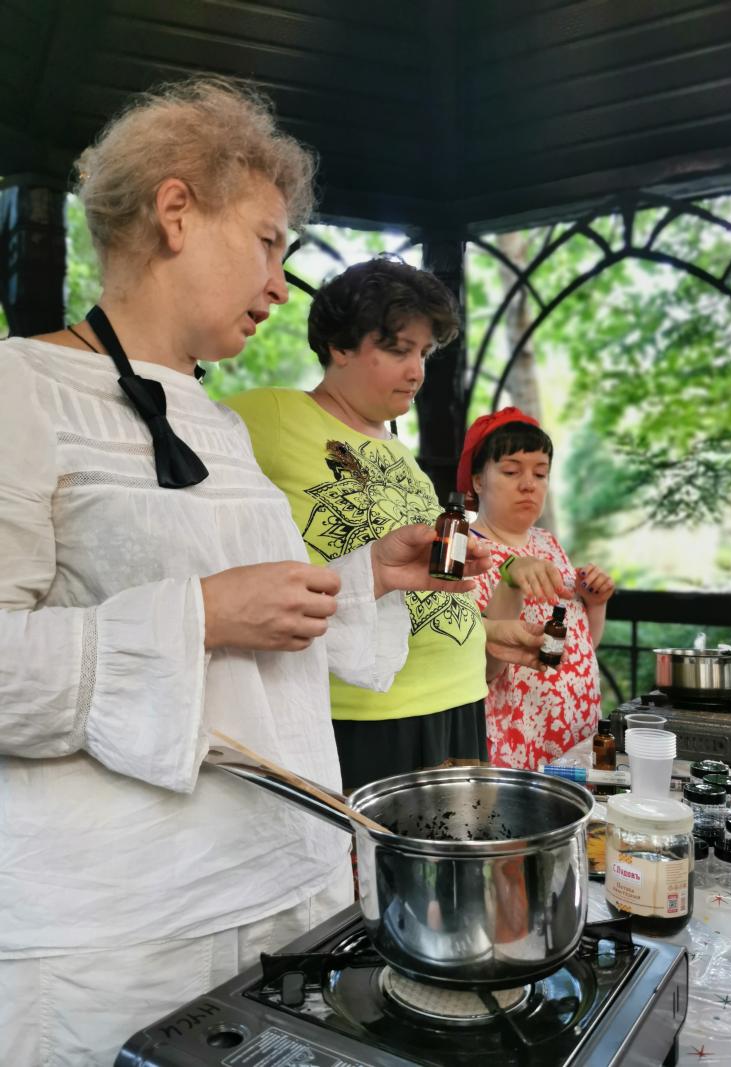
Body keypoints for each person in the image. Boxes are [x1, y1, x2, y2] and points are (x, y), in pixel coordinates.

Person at [0, 78, 490, 1066]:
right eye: (268, 242)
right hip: (121, 933)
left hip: (284, 896)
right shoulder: (21, 390)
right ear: (175, 211)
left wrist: (367, 574)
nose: (279, 285)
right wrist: (199, 615)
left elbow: (261, 628)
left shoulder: (218, 424)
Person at [229, 259, 542, 790]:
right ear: (340, 345)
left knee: (461, 850)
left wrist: (488, 634)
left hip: (461, 702)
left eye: (424, 353)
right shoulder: (271, 415)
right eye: (398, 350)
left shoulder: (401, 454)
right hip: (366, 716)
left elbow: (416, 595)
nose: (417, 371)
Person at [457, 407, 615, 771]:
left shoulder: (548, 543)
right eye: (511, 471)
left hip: (576, 735)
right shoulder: (468, 554)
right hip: (518, 742)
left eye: (540, 473)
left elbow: (580, 647)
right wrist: (510, 581)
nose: (529, 484)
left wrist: (596, 604)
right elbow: (484, 668)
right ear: (478, 481)